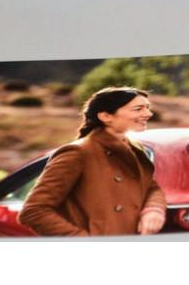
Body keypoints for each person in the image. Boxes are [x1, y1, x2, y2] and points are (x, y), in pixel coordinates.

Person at [18, 86, 167, 236]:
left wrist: (153, 210)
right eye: (138, 109)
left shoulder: (134, 148)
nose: (148, 114)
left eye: (147, 108)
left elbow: (151, 188)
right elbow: (33, 211)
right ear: (106, 116)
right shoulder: (78, 152)